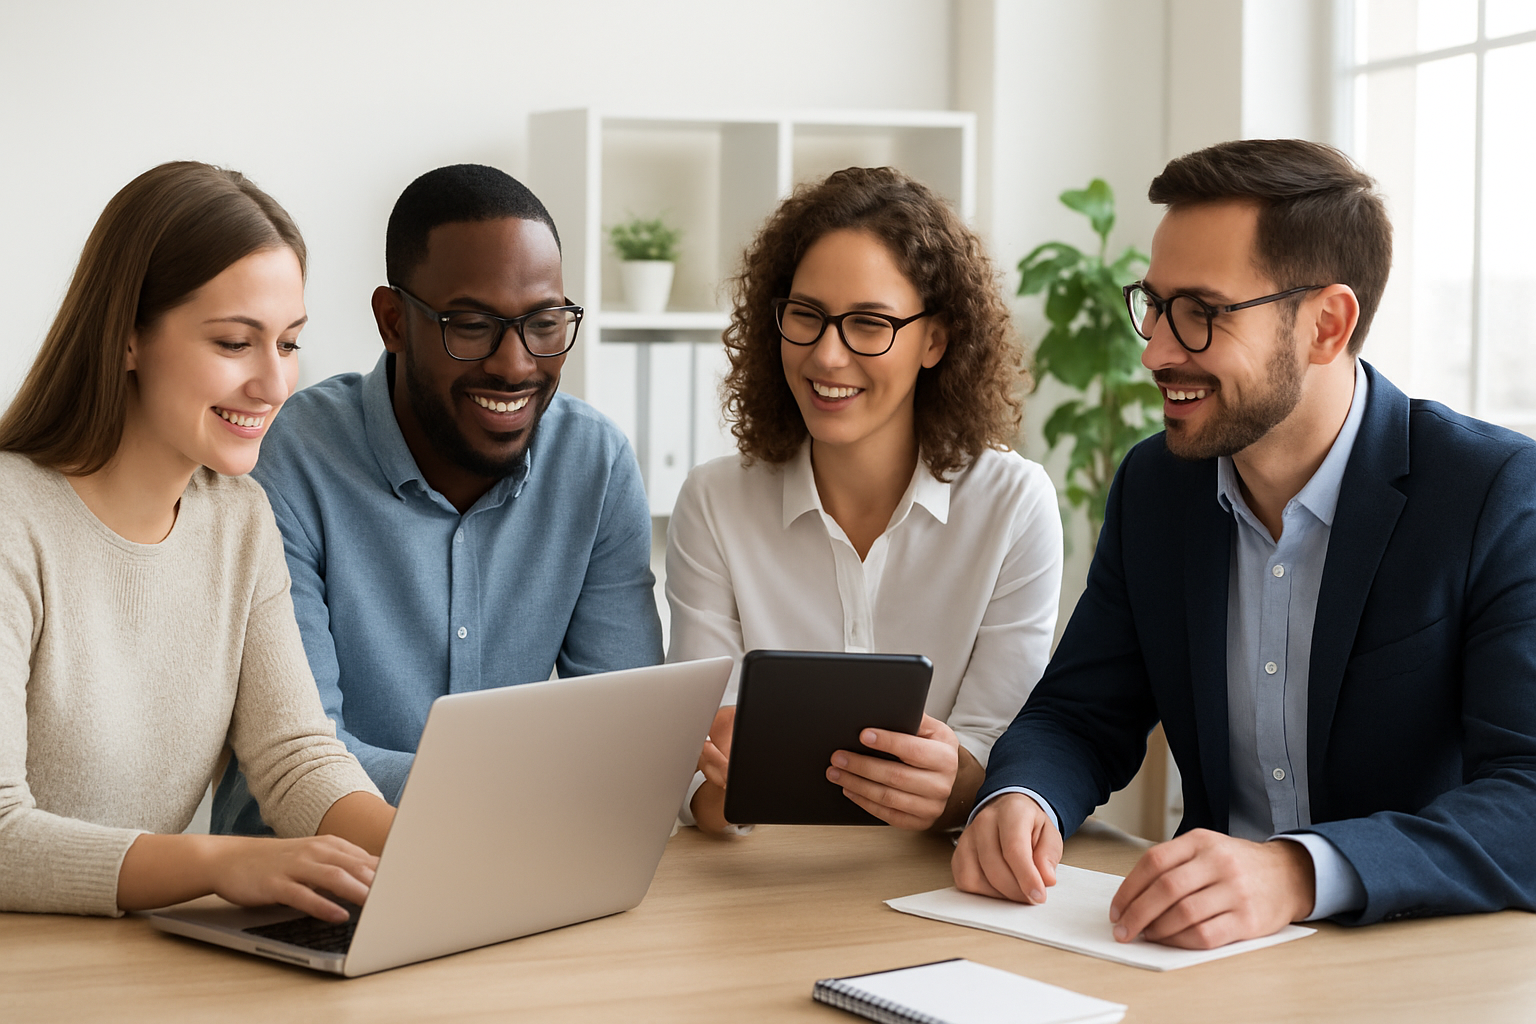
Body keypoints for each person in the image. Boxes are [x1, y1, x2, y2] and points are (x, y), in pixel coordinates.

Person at [953, 139, 1536, 947]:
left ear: (1327, 325)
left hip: (1413, 961)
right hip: (1198, 963)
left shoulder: (1494, 494)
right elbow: (1079, 715)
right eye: (1154, 305)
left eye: (1201, 314)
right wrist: (1021, 798)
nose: (1156, 349)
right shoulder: (1157, 487)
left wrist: (1300, 871)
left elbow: (1529, 794)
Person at [213, 164, 662, 833]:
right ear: (393, 321)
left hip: (516, 869)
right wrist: (535, 791)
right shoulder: (287, 461)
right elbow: (306, 759)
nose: (515, 364)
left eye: (543, 322)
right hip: (308, 876)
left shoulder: (593, 463)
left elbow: (630, 739)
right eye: (472, 324)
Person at [0, 162, 395, 920]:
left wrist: (420, 851)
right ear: (126, 339)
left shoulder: (239, 519)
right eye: (235, 342)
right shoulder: (15, 521)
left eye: (287, 344)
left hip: (126, 961)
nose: (275, 385)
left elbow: (294, 757)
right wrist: (219, 863)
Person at [667, 166, 1063, 835]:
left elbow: (999, 752)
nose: (827, 355)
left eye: (870, 324)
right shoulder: (715, 502)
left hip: (937, 881)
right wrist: (716, 786)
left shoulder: (1013, 506)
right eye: (807, 317)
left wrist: (955, 782)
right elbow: (690, 770)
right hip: (757, 891)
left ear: (935, 340)